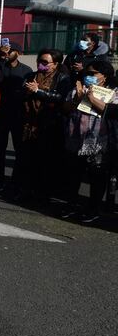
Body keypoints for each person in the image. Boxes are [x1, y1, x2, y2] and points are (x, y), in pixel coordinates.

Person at [62, 60, 117, 223]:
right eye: (87, 73)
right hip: (76, 138)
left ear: (104, 76)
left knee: (97, 176)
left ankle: (93, 209)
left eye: (93, 74)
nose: (89, 76)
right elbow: (65, 109)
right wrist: (78, 98)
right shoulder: (78, 89)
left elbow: (111, 112)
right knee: (73, 175)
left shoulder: (113, 92)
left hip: (99, 141)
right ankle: (70, 204)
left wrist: (91, 98)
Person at [18, 48, 71, 202]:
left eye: (45, 62)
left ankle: (43, 194)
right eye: (39, 61)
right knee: (28, 160)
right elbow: (21, 94)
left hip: (50, 124)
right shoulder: (31, 76)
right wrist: (27, 91)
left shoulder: (62, 78)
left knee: (47, 161)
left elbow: (60, 98)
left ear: (55, 64)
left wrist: (38, 91)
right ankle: (26, 190)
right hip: (30, 124)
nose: (41, 65)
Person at [0, 45, 33, 191]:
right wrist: (1, 59)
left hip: (19, 114)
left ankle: (16, 180)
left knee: (19, 149)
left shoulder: (26, 70)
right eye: (4, 51)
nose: (7, 53)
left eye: (10, 51)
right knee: (0, 149)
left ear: (18, 53)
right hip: (2, 114)